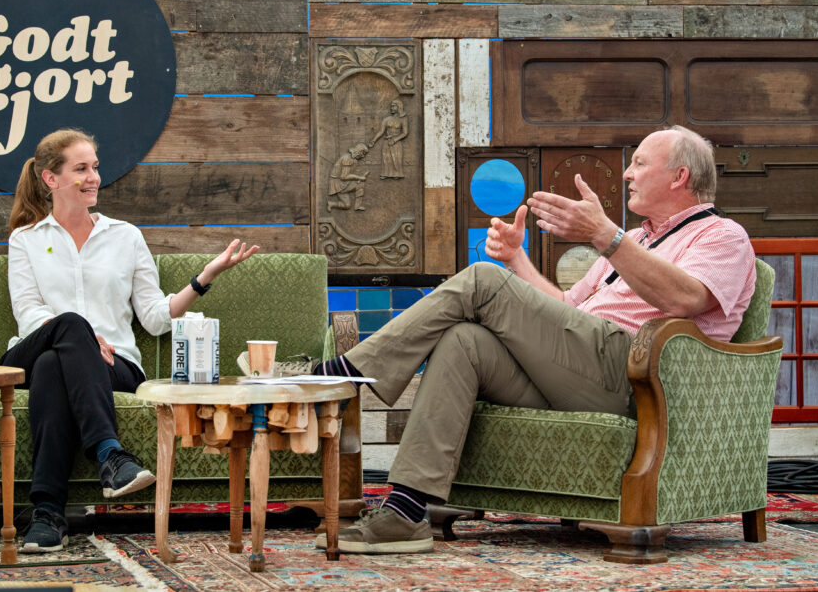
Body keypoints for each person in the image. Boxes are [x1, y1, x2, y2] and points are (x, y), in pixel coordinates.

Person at [310, 126, 757, 554]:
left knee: (482, 280)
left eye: (639, 163)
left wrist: (605, 235)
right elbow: (567, 308)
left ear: (680, 177)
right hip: (578, 369)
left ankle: (344, 376)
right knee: (464, 340)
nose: (627, 174)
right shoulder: (637, 240)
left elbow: (686, 298)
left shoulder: (722, 236)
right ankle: (405, 512)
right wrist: (516, 259)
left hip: (633, 376)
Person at [0, 128, 259, 554]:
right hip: (34, 349)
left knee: (53, 367)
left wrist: (204, 277)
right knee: (64, 332)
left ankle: (47, 515)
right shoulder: (26, 239)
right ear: (51, 179)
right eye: (81, 168)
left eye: (95, 167)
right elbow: (29, 314)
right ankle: (110, 455)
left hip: (112, 367)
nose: (93, 177)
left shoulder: (125, 236)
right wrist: (80, 335)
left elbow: (156, 319)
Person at [369, 99, 409, 179]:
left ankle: (397, 174)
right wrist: (374, 140)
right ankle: (385, 173)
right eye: (391, 106)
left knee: (396, 159)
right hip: (387, 142)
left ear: (399, 107)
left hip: (396, 142)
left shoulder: (403, 119)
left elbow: (405, 133)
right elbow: (381, 131)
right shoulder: (386, 119)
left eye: (393, 106)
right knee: (386, 159)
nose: (391, 108)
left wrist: (395, 140)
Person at [327, 142, 370, 212]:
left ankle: (357, 206)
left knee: (360, 184)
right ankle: (332, 204)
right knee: (347, 205)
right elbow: (344, 177)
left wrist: (359, 178)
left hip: (344, 182)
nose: (363, 156)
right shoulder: (347, 159)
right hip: (338, 184)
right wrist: (359, 177)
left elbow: (349, 172)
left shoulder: (353, 159)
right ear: (358, 152)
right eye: (363, 154)